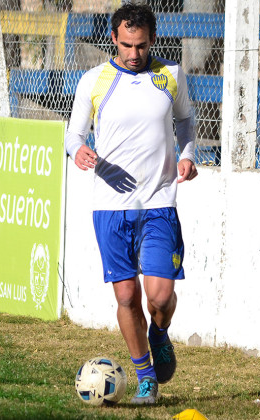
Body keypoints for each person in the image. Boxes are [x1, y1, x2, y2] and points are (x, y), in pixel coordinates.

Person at [65, 3, 198, 405]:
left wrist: (189, 154)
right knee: (126, 297)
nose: (134, 53)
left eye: (141, 46)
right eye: (126, 45)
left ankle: (159, 334)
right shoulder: (94, 80)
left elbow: (187, 121)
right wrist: (79, 152)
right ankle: (145, 378)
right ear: (113, 39)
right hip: (110, 206)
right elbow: (73, 134)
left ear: (152, 40)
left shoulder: (170, 76)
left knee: (159, 297)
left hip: (159, 201)